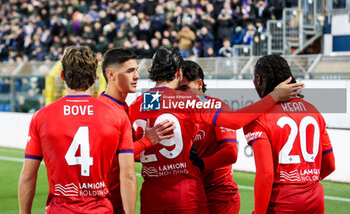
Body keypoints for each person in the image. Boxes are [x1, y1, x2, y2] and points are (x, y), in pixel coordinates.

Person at [128, 48, 303, 214]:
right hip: (185, 195)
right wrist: (274, 97)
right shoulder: (188, 101)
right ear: (179, 73)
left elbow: (126, 153)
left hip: (151, 196)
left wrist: (147, 142)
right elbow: (235, 121)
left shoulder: (136, 105)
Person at [18, 46, 137, 214]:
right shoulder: (117, 115)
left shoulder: (42, 116)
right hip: (101, 209)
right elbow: (129, 176)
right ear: (95, 77)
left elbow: (28, 175)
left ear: (62, 76)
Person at [243, 54, 335, 214]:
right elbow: (330, 165)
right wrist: (304, 182)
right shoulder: (313, 111)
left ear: (258, 79)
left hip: (282, 203)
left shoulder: (258, 117)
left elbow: (265, 175)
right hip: (315, 201)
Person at [98, 48, 175, 213]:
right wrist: (148, 141)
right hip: (106, 202)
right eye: (130, 71)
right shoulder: (104, 110)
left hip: (117, 199)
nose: (137, 76)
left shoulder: (123, 107)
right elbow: (112, 156)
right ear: (111, 75)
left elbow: (128, 153)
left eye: (136, 70)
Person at [179, 60, 240, 214]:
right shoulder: (178, 114)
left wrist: (201, 164)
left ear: (199, 84)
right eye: (178, 90)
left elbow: (230, 153)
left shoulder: (217, 109)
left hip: (219, 195)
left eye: (185, 88)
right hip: (193, 194)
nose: (181, 95)